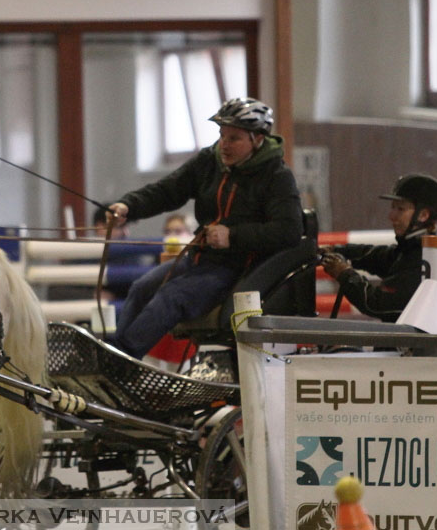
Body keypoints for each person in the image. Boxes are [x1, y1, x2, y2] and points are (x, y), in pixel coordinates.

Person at [106, 97, 303, 359]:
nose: (224, 145)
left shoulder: (277, 177)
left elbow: (289, 230)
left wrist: (232, 236)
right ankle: (116, 357)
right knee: (142, 287)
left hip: (240, 270)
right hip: (200, 260)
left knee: (171, 297)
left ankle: (122, 360)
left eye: (234, 138)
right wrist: (129, 206)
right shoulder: (210, 162)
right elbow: (168, 190)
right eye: (222, 135)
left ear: (257, 140)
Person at [321, 173, 437, 324]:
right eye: (393, 208)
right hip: (410, 344)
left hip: (412, 346)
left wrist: (344, 273)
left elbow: (378, 304)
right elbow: (379, 257)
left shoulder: (424, 261)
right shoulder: (416, 250)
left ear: (423, 215)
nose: (391, 216)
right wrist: (339, 251)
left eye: (400, 209)